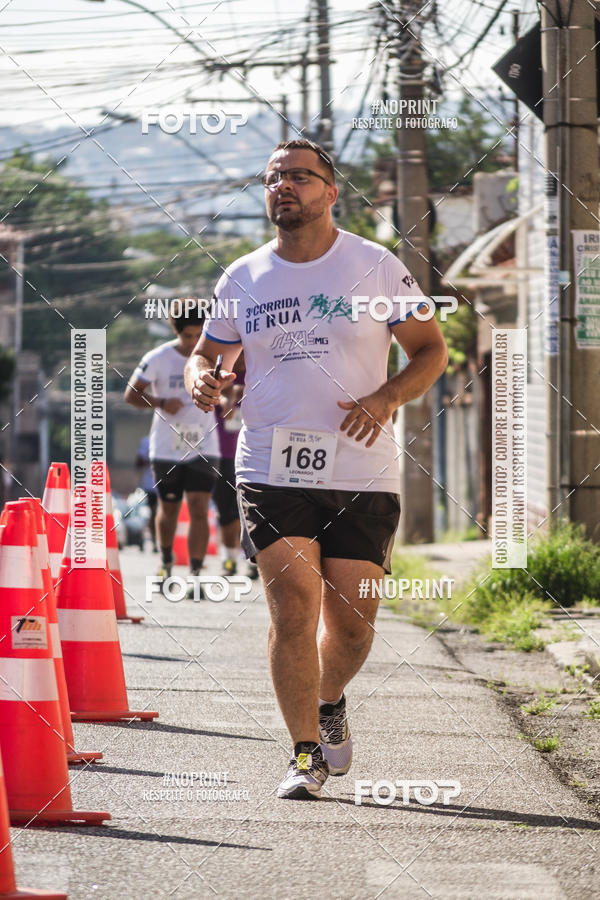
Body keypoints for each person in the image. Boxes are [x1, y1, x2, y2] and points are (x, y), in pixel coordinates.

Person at [184, 139, 448, 800]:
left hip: (362, 468)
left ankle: (330, 700)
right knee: (293, 607)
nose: (284, 187)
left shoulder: (376, 267)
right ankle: (306, 754)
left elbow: (430, 350)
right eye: (274, 177)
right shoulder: (243, 275)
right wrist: (202, 379)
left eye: (300, 177)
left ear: (332, 192)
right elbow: (210, 354)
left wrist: (388, 397)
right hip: (272, 462)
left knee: (354, 623)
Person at [125, 299, 220, 595]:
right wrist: (162, 402)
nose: (193, 342)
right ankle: (166, 560)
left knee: (199, 508)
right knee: (168, 507)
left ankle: (194, 571)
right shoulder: (158, 357)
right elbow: (131, 395)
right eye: (187, 336)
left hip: (205, 443)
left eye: (198, 335)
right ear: (176, 331)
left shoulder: (214, 357)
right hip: (166, 446)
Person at [212, 358, 259, 580]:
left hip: (256, 454)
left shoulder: (260, 369)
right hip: (224, 454)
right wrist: (228, 398)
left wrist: (247, 393)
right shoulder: (220, 374)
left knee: (252, 511)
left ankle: (253, 561)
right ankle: (228, 559)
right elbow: (220, 407)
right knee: (227, 513)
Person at [135, 433, 158, 552]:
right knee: (151, 513)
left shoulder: (173, 438)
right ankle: (150, 541)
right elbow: (138, 463)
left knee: (166, 513)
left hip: (169, 484)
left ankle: (161, 543)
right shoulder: (147, 441)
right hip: (151, 485)